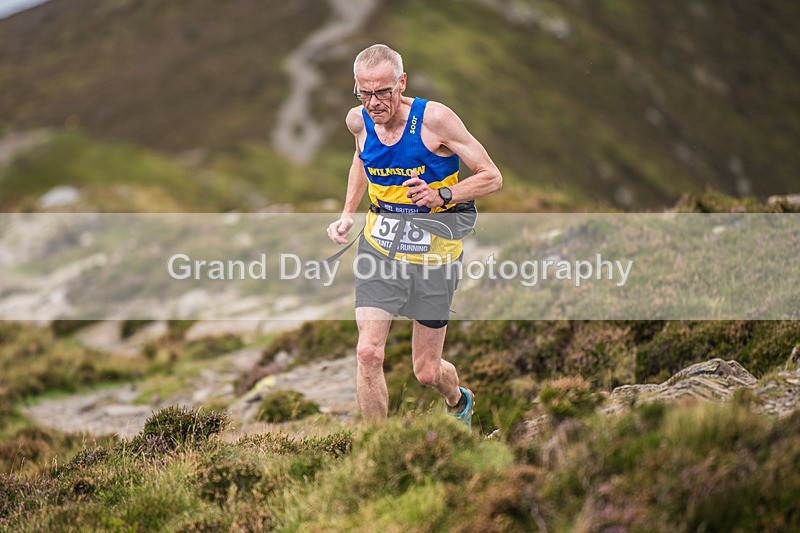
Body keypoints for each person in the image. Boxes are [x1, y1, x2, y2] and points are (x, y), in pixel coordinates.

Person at [326, 44, 502, 428]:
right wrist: (346, 214)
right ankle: (378, 451)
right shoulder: (358, 121)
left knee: (425, 371)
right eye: (365, 92)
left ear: (401, 83)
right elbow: (361, 159)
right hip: (380, 252)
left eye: (383, 92)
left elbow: (492, 176)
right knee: (368, 353)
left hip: (434, 258)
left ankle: (458, 402)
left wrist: (442, 194)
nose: (374, 102)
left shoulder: (435, 120)